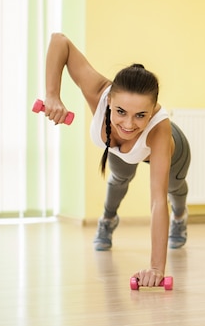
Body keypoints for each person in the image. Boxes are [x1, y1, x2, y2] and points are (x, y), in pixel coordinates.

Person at [42, 32, 191, 287]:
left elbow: (156, 201)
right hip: (123, 152)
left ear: (153, 109)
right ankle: (108, 221)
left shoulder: (159, 130)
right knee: (118, 179)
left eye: (140, 115)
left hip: (172, 151)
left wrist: (157, 268)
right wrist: (52, 95)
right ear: (109, 100)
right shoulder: (98, 92)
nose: (128, 124)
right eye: (120, 112)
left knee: (172, 189)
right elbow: (59, 41)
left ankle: (180, 217)